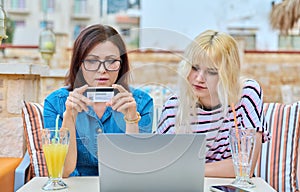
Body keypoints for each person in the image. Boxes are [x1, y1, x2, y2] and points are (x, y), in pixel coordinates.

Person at [43, 24, 153, 177]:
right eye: (92, 61)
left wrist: (131, 121)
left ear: (121, 64)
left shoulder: (141, 102)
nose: (102, 70)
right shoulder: (56, 103)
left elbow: (136, 170)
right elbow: (62, 171)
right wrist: (69, 117)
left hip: (121, 188)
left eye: (111, 61)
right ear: (79, 64)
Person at [156, 30, 269, 177]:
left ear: (228, 74)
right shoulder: (174, 107)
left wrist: (188, 169)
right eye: (194, 67)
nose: (199, 78)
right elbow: (162, 166)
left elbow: (245, 166)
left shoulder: (246, 94)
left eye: (212, 71)